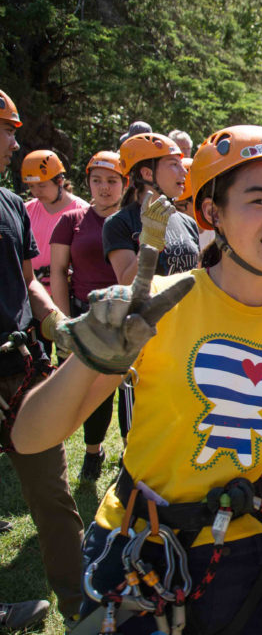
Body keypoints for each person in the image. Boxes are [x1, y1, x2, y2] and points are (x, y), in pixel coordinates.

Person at [16, 125, 262, 634]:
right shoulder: (155, 307)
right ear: (213, 214)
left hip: (249, 560)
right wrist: (91, 360)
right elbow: (31, 436)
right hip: (139, 546)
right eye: (258, 200)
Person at [0, 88, 83, 630]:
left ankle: (80, 601)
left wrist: (62, 326)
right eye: (7, 131)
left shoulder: (8, 204)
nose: (14, 142)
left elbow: (30, 281)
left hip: (18, 368)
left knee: (51, 491)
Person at [50, 151, 129, 480]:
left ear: (124, 184)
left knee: (131, 390)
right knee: (94, 391)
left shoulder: (132, 220)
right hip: (87, 315)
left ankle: (132, 452)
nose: (104, 188)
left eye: (112, 181)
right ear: (87, 183)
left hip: (128, 316)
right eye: (97, 180)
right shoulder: (72, 220)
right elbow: (57, 271)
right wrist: (64, 323)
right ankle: (93, 452)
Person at [104, 132, 200, 284]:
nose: (184, 171)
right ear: (148, 174)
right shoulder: (119, 223)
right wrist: (149, 244)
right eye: (174, 164)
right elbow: (127, 284)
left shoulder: (188, 222)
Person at [21, 150, 89, 294]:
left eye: (41, 185)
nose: (36, 192)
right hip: (32, 293)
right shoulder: (27, 210)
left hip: (67, 293)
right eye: (31, 186)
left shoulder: (82, 211)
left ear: (59, 181)